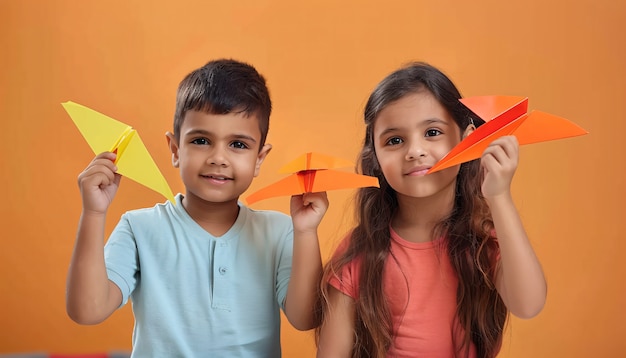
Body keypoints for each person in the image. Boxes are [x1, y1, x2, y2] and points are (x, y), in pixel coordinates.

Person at [66, 59, 328, 357]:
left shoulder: (280, 232)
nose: (218, 157)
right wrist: (94, 213)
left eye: (238, 145)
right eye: (201, 140)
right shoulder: (139, 228)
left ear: (259, 159)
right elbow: (87, 311)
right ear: (175, 149)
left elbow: (306, 318)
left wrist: (306, 231)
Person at [315, 62, 547, 358]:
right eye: (395, 140)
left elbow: (528, 304)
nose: (415, 151)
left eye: (433, 132)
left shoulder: (483, 242)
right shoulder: (360, 252)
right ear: (375, 157)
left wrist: (499, 196)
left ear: (468, 139)